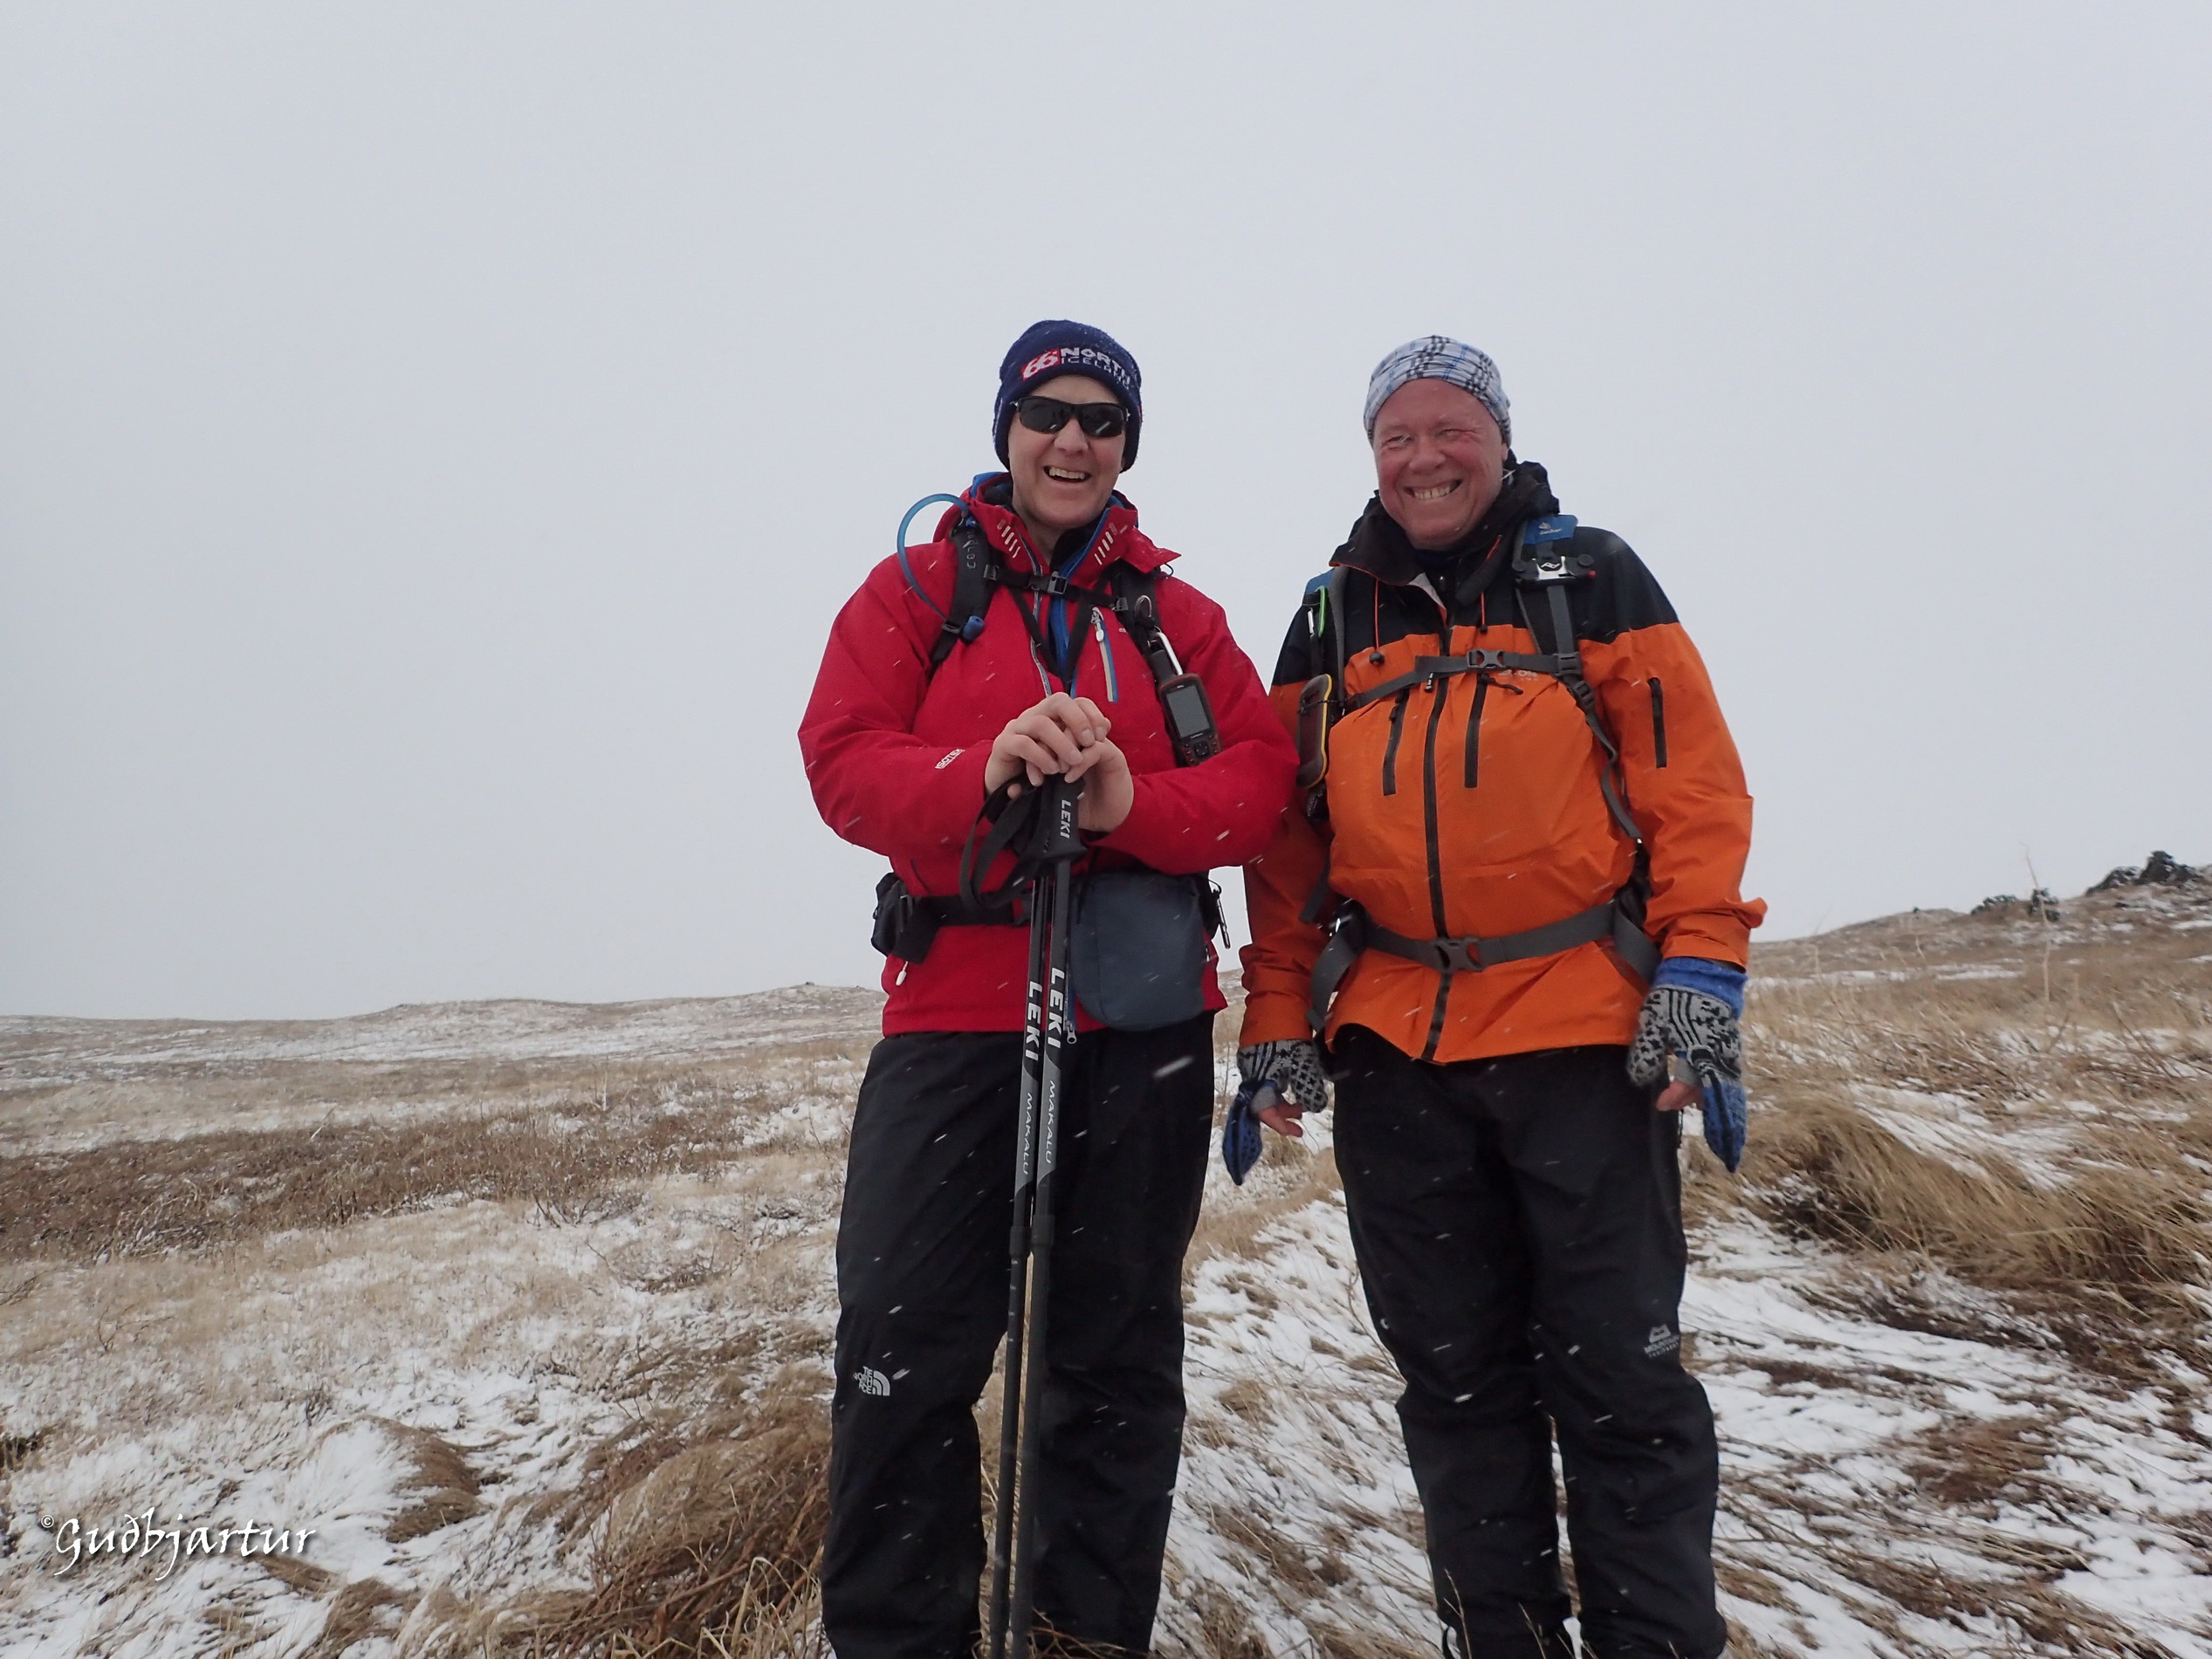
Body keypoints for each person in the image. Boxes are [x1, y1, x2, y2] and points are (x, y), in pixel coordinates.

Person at [1237, 336, 1763, 1659]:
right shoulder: (1329, 617)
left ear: (1499, 439)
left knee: (1621, 1382)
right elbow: (1288, 846)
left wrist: (1702, 967)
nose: (1423, 457)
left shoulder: (1590, 578)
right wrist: (1278, 1015)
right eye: (1396, 437)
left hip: (1582, 1038)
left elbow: (1691, 786)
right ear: (1373, 457)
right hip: (1397, 1056)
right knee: (1456, 1389)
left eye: (1449, 429)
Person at [799, 319, 1297, 1659]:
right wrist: (981, 765)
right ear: (1006, 430)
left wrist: (1129, 801)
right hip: (952, 1016)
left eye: (1101, 420)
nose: (1072, 440)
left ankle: (1084, 1638)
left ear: (1127, 444)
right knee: (900, 1349)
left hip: (1142, 1030)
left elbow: (1262, 784)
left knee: (1114, 1356)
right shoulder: (917, 591)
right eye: (1047, 414)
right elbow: (840, 760)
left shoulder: (1178, 619)